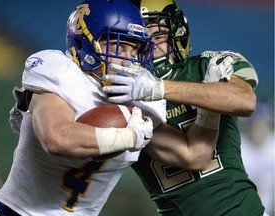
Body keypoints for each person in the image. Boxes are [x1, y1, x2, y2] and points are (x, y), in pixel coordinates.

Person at [0, 1, 159, 215]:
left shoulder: (145, 97)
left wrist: (205, 117)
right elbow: (56, 139)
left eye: (135, 50)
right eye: (119, 46)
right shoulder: (59, 72)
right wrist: (131, 137)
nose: (128, 60)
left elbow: (193, 158)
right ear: (84, 41)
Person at [102, 0, 268, 215]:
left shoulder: (204, 65)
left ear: (177, 33)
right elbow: (195, 157)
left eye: (157, 35)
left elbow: (245, 101)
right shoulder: (122, 96)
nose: (150, 47)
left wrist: (160, 88)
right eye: (139, 41)